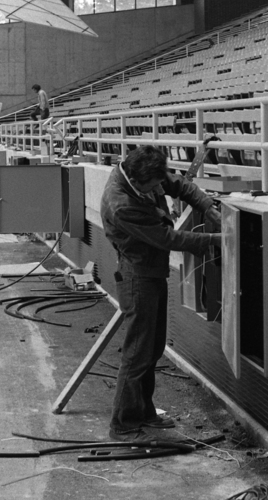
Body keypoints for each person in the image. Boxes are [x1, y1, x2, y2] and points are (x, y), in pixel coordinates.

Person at [100, 145, 222, 443]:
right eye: (153, 186)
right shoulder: (121, 204)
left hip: (151, 272)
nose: (159, 189)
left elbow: (178, 184)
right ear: (138, 181)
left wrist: (207, 205)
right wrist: (216, 239)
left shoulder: (143, 172)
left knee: (152, 349)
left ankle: (144, 412)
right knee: (138, 352)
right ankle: (124, 424)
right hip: (137, 277)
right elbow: (166, 237)